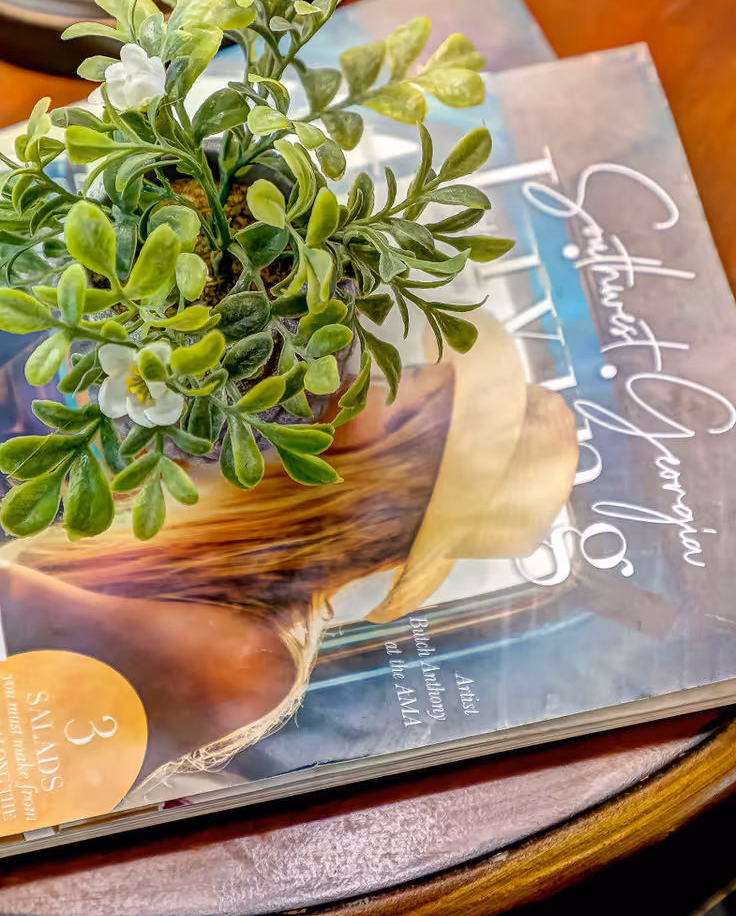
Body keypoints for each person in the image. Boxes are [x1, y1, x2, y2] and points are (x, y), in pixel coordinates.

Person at [0, 314, 579, 796]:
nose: (365, 382)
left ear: (398, 474)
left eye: (405, 387)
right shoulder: (218, 494)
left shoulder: (251, 659)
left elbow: (15, 607)